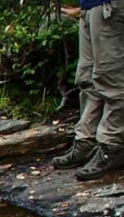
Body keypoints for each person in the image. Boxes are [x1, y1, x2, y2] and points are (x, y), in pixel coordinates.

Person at [52, 0, 124, 181]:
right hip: (90, 7)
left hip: (110, 8)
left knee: (111, 79)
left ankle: (112, 146)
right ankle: (87, 141)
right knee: (86, 79)